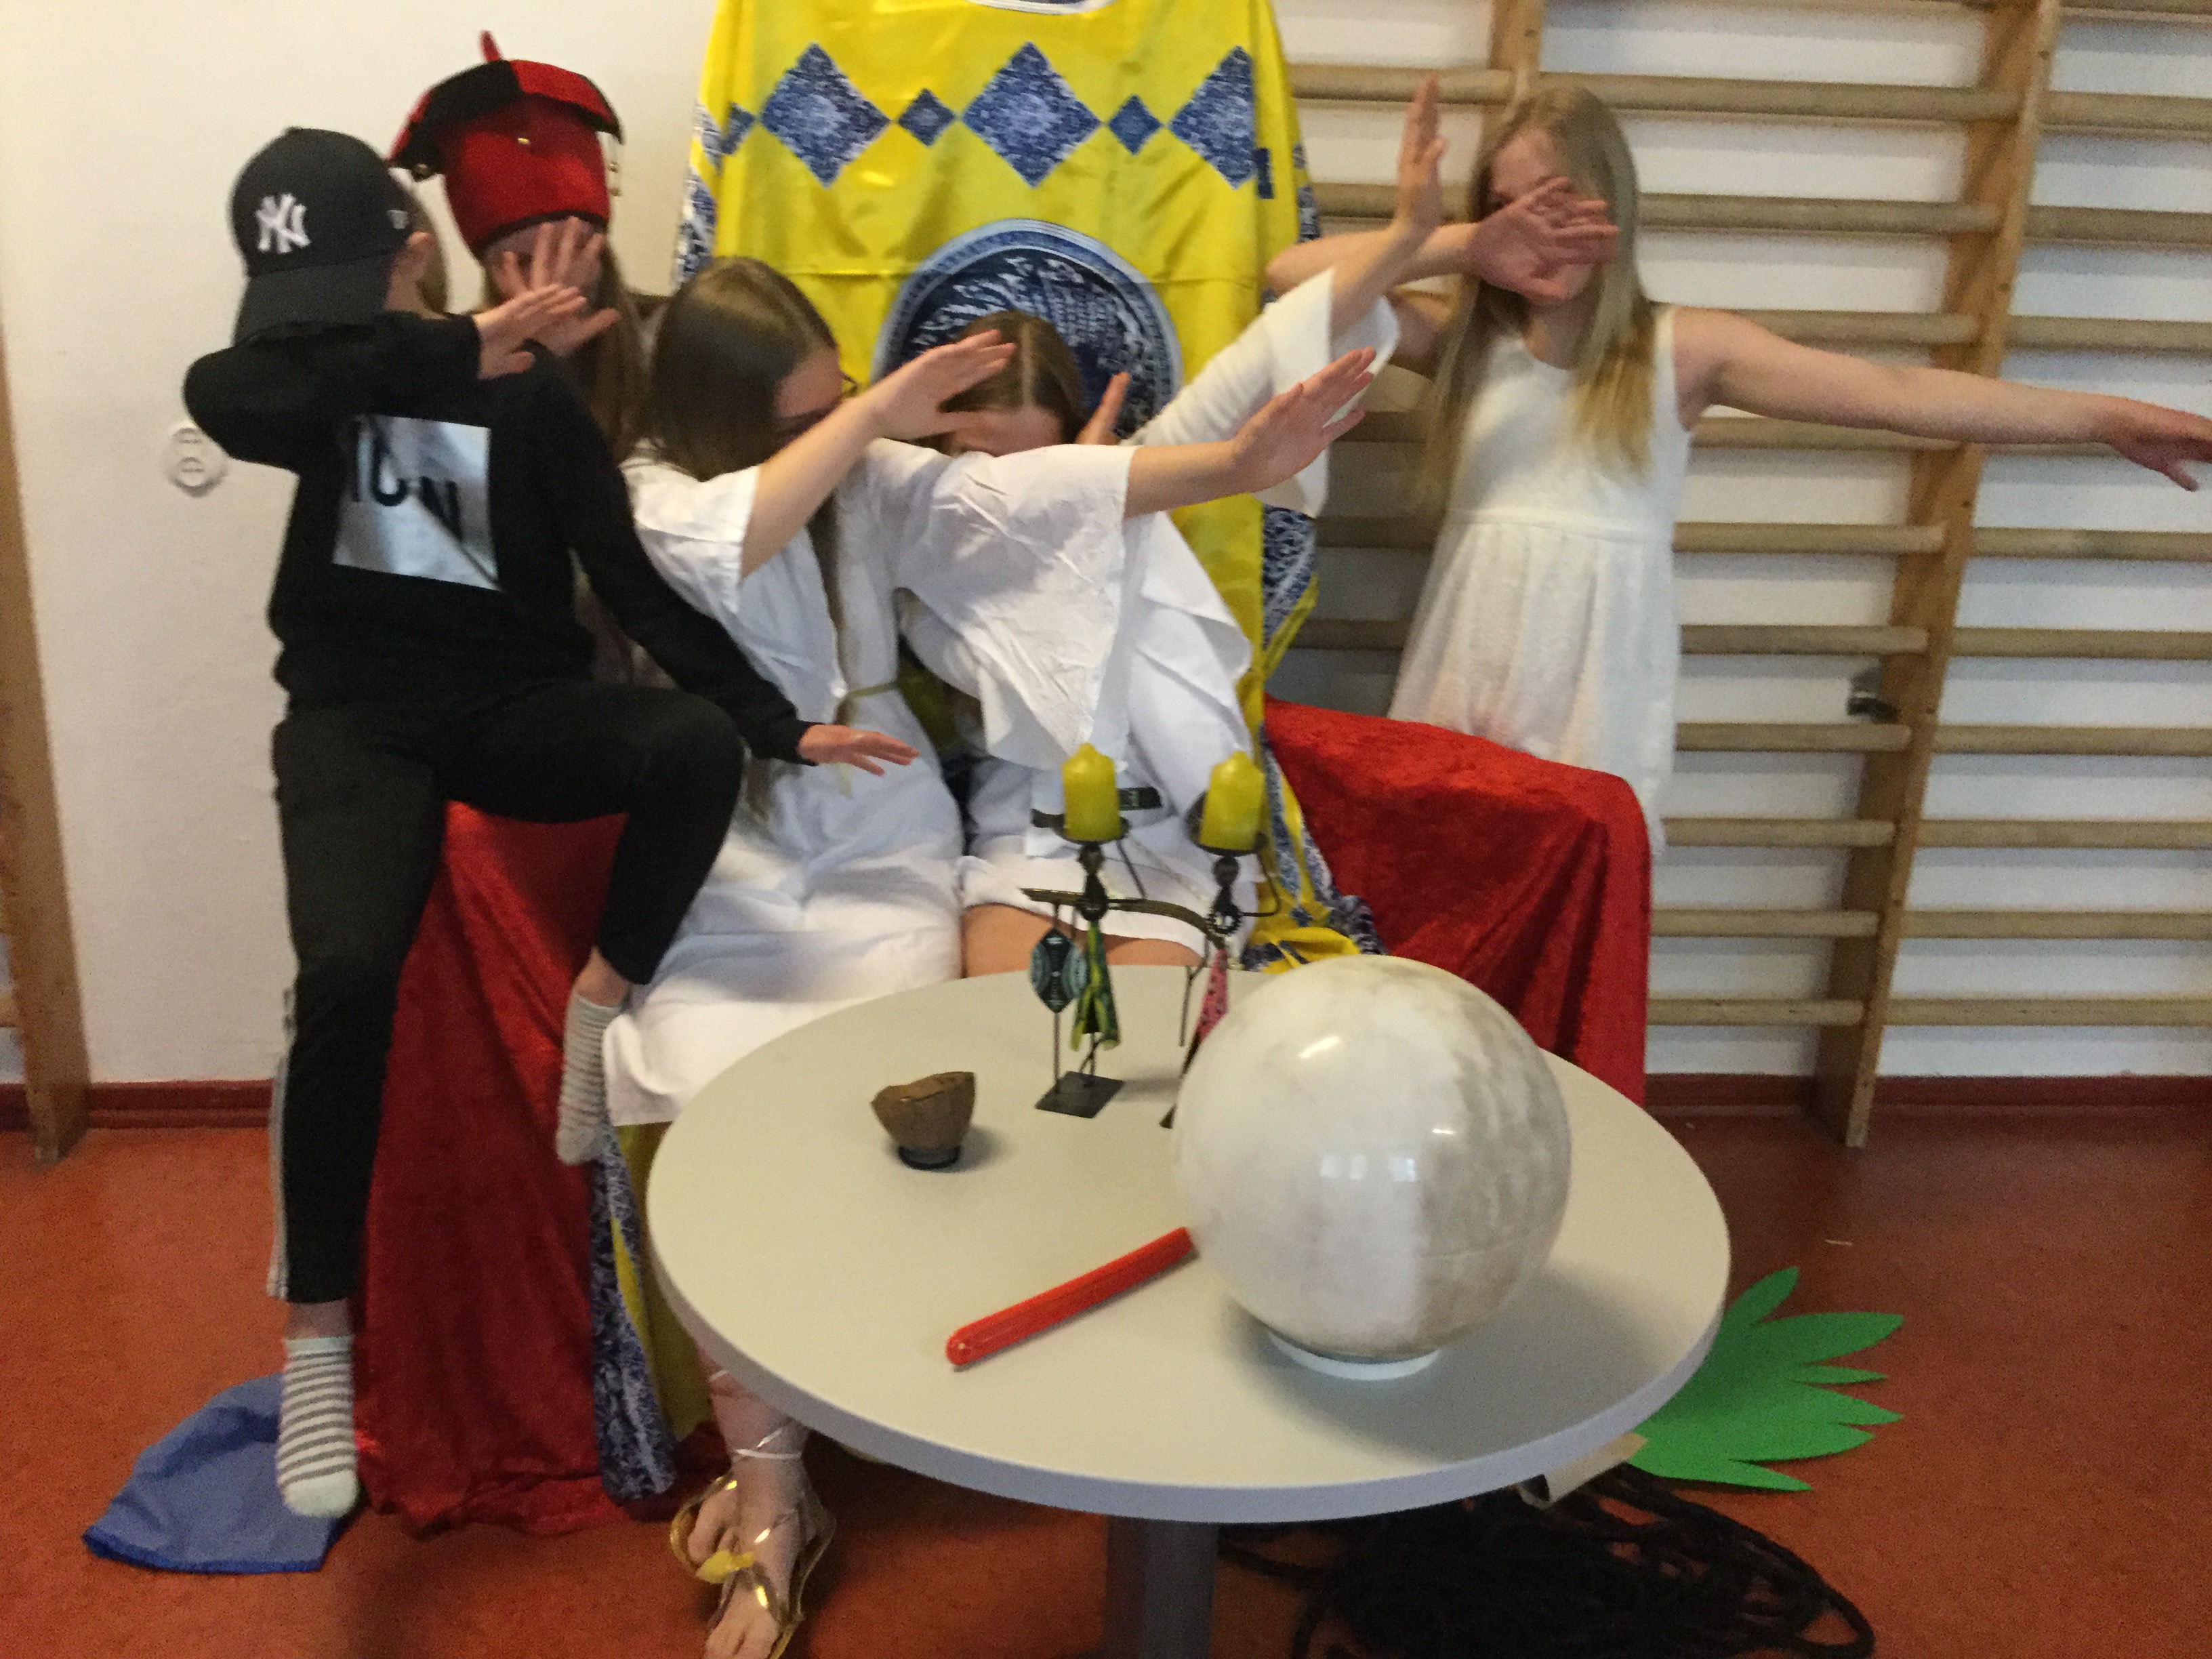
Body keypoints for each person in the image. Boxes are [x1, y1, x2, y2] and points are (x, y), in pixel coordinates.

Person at [605, 255, 1372, 1659]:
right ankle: (774, 1496)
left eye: (837, 402)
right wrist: (872, 414)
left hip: (883, 837)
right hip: (734, 853)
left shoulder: (873, 477)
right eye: (804, 416)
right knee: (701, 1088)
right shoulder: (656, 487)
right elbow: (731, 538)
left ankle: (901, 1386)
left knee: (903, 1087)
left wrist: (1229, 467)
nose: (842, 434)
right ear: (721, 417)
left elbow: (1016, 498)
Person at [181, 131, 902, 1519]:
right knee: (345, 975)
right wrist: (453, 344)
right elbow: (227, 394)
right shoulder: (321, 385)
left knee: (687, 748)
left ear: (413, 252)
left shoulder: (534, 402)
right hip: (355, 724)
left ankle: (599, 1000)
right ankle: (317, 1331)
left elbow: (630, 583)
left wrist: (769, 722)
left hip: (508, 707)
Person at [1267, 81, 2212, 846]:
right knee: (1449, 868)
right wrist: (1458, 244)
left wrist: (2108, 416)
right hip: (1470, 648)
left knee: (1578, 881)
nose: (1533, 232)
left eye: (1555, 204)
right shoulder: (1460, 338)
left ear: (1610, 208)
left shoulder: (1682, 350)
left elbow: (1895, 392)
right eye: (1508, 208)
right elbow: (1287, 281)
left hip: (1599, 671)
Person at [919, 79, 1616, 972]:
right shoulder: (912, 528)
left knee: (1153, 1029)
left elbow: (1281, 334)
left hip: (1170, 846)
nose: (1010, 488)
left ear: (1076, 442)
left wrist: (1425, 240)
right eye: (980, 463)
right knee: (1012, 1015)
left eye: (1036, 461)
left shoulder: (1117, 488)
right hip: (1027, 846)